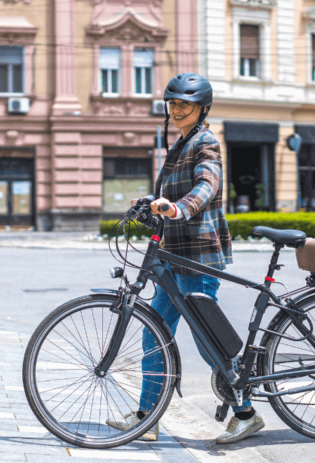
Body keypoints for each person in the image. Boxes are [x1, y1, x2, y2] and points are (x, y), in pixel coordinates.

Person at [106, 73, 264, 444]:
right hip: (174, 255)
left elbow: (207, 184)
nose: (176, 110)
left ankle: (247, 413)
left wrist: (178, 209)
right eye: (172, 104)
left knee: (207, 340)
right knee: (154, 334)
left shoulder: (205, 140)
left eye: (185, 105)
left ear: (201, 109)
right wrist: (150, 201)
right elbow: (171, 191)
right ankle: (148, 417)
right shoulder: (179, 144)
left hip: (199, 255)